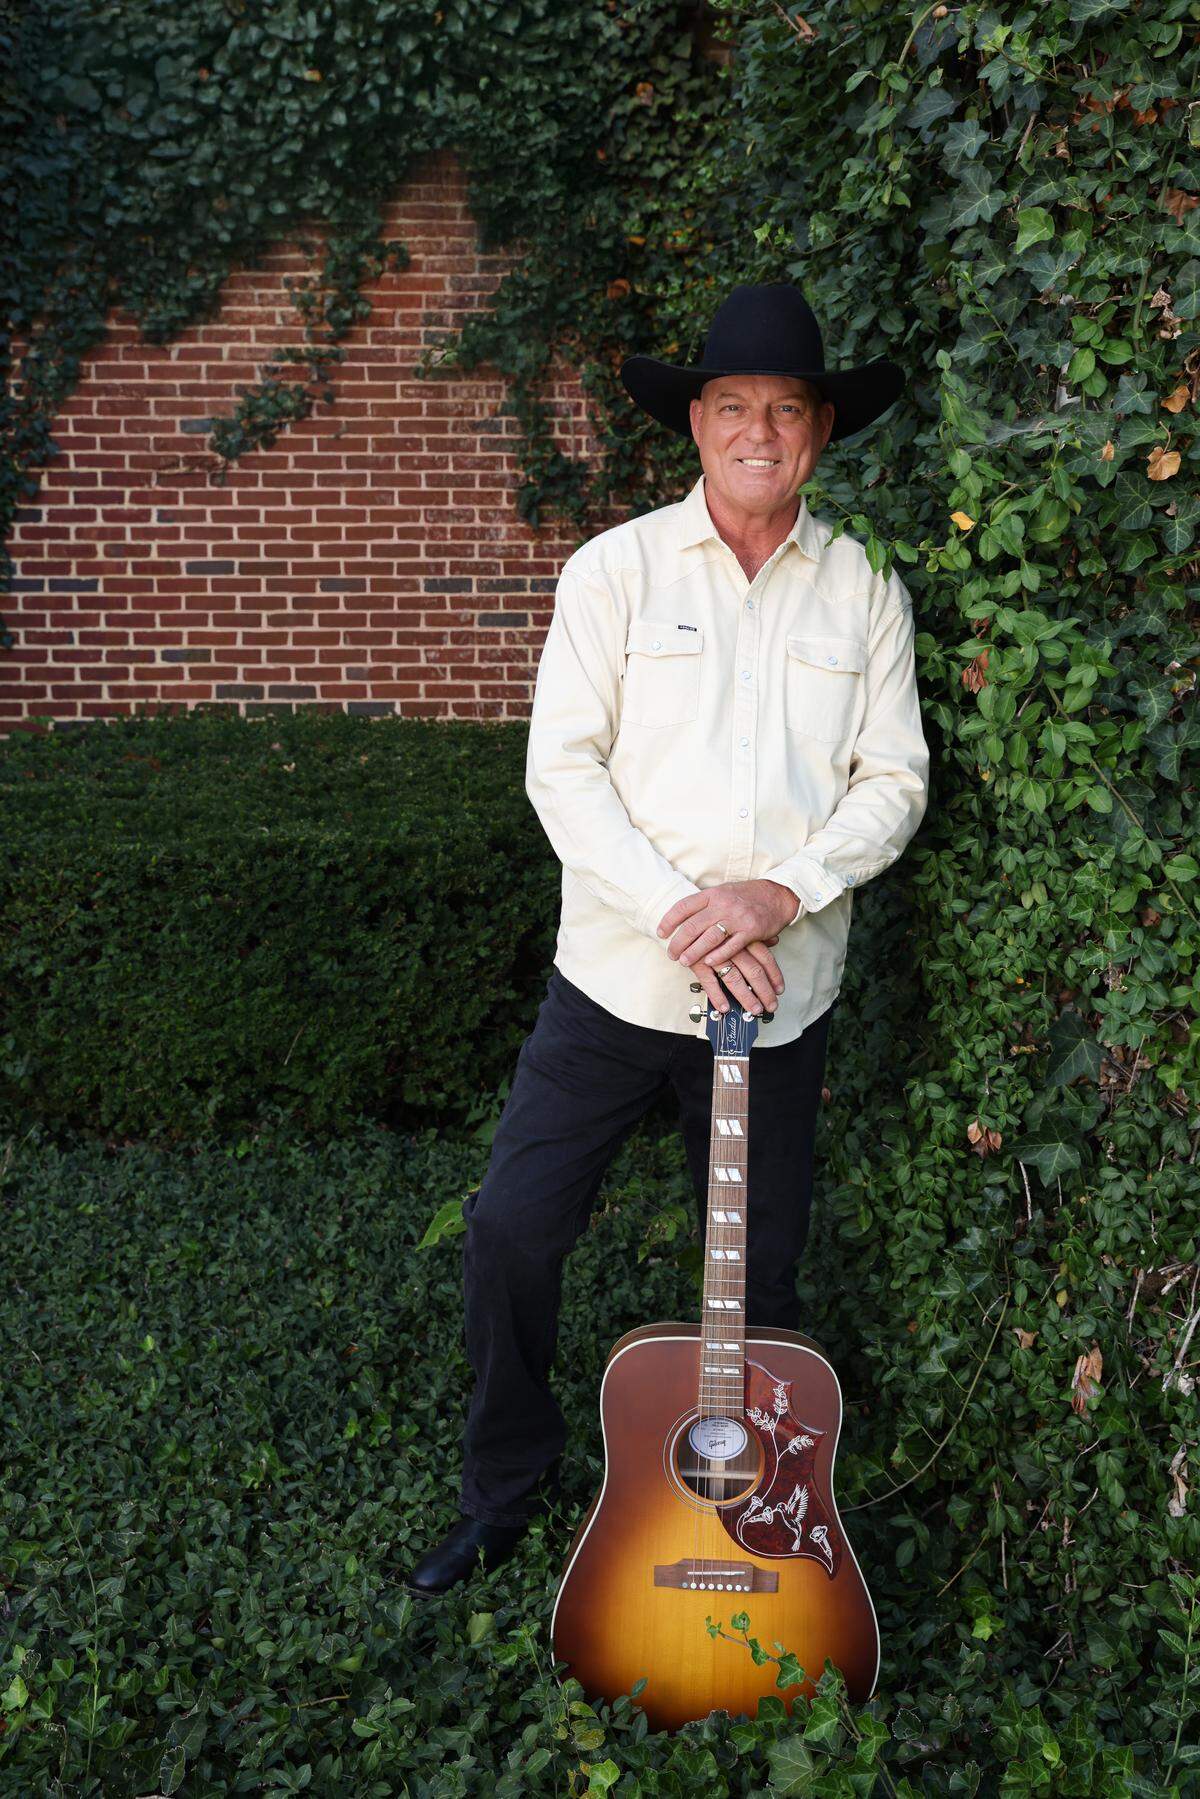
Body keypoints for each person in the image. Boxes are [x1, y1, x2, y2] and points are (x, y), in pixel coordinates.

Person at [404, 282, 930, 1596]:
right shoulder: (615, 573)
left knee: (756, 1285)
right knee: (513, 1234)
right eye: (736, 405)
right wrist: (685, 914)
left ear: (820, 431)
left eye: (789, 408)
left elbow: (895, 781)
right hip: (618, 985)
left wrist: (778, 895)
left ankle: (746, 1511)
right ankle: (505, 1487)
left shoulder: (864, 593)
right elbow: (562, 771)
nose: (762, 430)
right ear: (696, 422)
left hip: (780, 995)